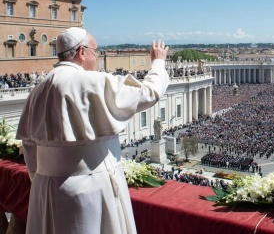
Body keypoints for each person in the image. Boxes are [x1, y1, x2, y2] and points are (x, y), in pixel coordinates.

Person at [16, 27, 170, 234]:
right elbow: (148, 93)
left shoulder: (38, 89)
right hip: (89, 190)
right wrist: (158, 62)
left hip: (44, 190)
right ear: (81, 52)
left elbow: (29, 144)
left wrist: (43, 177)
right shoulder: (93, 82)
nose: (96, 57)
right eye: (95, 52)